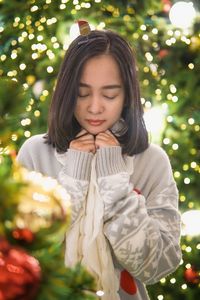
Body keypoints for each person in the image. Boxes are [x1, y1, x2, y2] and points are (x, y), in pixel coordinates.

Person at [17, 20, 182, 300]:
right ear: (67, 93)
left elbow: (158, 266)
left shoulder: (152, 161)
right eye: (82, 94)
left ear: (127, 95)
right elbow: (21, 257)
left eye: (110, 94)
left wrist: (115, 185)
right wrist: (73, 182)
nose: (95, 107)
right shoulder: (35, 152)